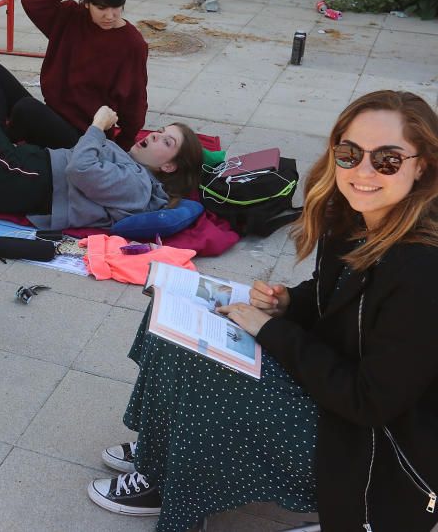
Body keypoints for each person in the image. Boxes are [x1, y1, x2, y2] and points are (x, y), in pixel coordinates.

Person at [90, 90, 438, 532]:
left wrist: (273, 330)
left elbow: (369, 402)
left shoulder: (424, 271)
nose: (362, 170)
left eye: (387, 159)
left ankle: (172, 491)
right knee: (173, 313)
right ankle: (159, 455)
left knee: (210, 387)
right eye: (349, 152)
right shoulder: (356, 215)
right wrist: (291, 302)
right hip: (334, 386)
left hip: (373, 443)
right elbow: (342, 296)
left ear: (422, 164)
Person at [0, 69, 200, 230]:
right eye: (161, 131)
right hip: (19, 170)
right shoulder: (134, 174)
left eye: (167, 141)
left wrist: (97, 127)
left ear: (169, 167)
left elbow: (80, 169)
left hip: (10, 178)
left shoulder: (138, 188)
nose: (156, 136)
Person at [0, 0, 148, 150]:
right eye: (101, 8)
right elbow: (32, 1)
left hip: (85, 136)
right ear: (86, 4)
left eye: (116, 7)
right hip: (51, 116)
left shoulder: (132, 44)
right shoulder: (70, 17)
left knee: (26, 109)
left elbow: (135, 101)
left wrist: (123, 147)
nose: (110, 16)